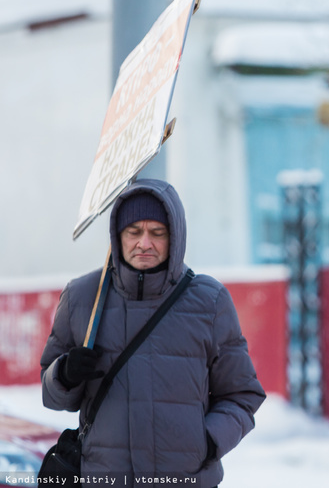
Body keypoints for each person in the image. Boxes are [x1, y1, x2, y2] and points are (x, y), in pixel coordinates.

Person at [40, 178, 265, 487]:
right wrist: (64, 374)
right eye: (133, 232)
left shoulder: (209, 301)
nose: (144, 243)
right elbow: (51, 396)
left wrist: (208, 441)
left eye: (157, 233)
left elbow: (242, 394)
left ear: (175, 237)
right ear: (117, 237)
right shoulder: (82, 298)